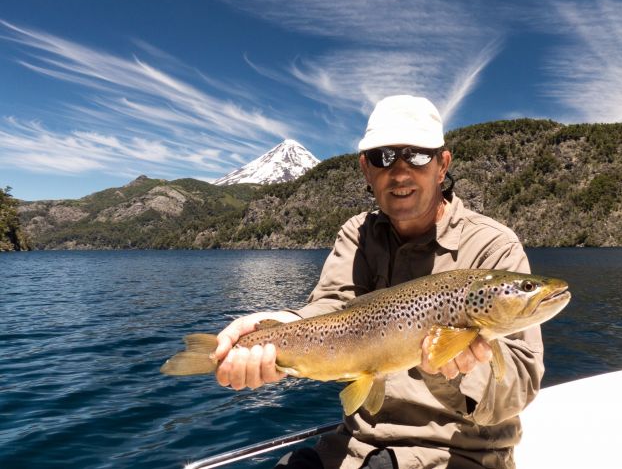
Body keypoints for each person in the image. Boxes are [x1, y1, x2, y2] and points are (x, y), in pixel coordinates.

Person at [212, 95, 543, 469]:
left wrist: (459, 369)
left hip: (462, 453)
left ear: (442, 165)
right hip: (356, 446)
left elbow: (520, 385)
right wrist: (278, 326)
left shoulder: (494, 246)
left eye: (416, 155)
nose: (400, 172)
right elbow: (331, 309)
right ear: (366, 170)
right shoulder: (357, 234)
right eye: (383, 157)